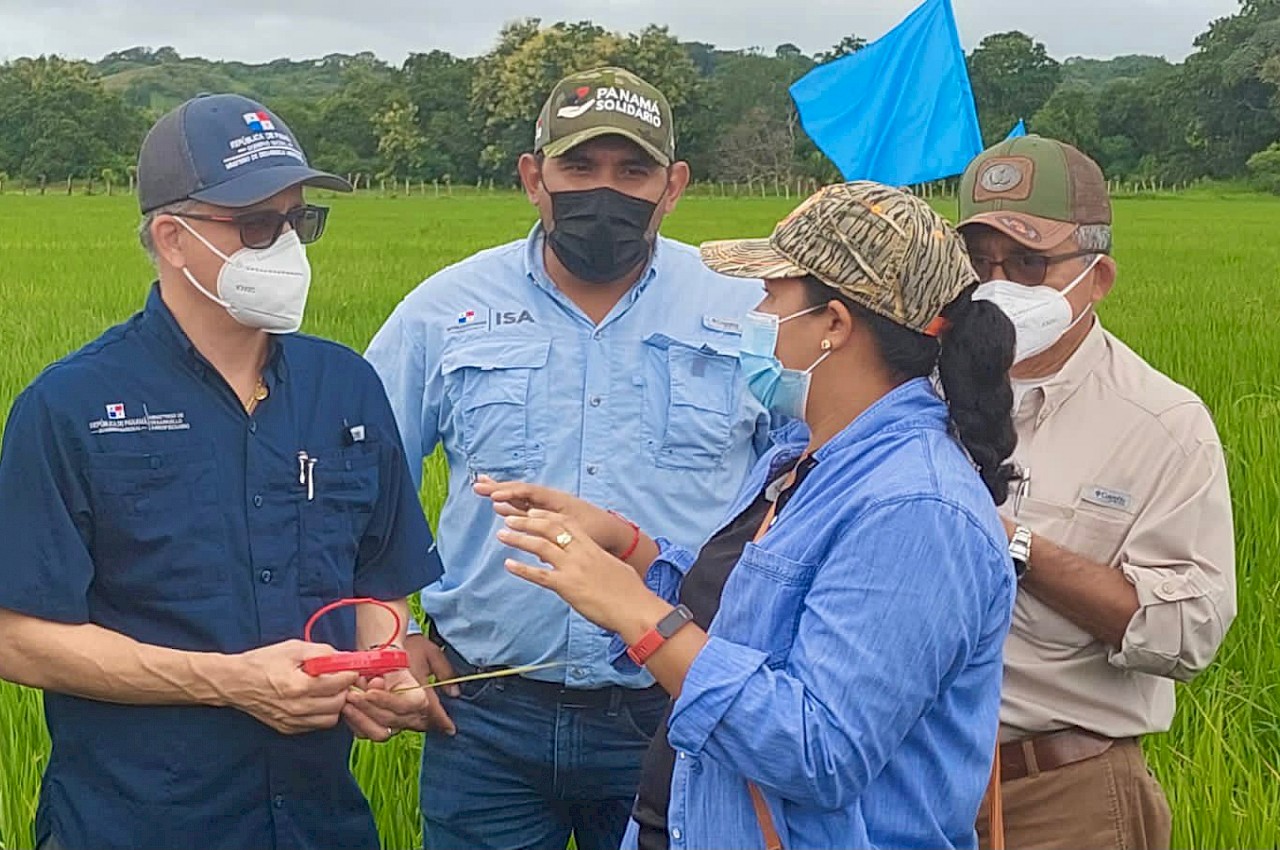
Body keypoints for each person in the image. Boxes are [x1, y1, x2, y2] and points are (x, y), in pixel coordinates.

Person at [477, 181, 1020, 849]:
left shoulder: (917, 510)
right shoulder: (807, 456)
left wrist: (634, 613)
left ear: (834, 325)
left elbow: (820, 750)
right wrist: (628, 551)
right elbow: (744, 621)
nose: (753, 313)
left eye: (772, 294)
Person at [0, 94, 441, 850]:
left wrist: (383, 665)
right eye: (258, 226)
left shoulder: (346, 389)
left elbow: (377, 580)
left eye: (299, 222)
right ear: (172, 238)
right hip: (135, 823)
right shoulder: (71, 407)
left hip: (316, 822)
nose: (288, 250)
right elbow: (16, 637)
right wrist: (228, 681)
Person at [364, 66, 770, 850]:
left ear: (674, 184)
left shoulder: (741, 310)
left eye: (633, 171)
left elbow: (794, 498)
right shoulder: (447, 309)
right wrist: (386, 633)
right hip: (484, 720)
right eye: (578, 169)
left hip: (678, 710)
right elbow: (366, 484)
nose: (604, 192)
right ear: (532, 177)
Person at [955, 134, 1237, 850]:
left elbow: (1188, 633)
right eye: (978, 263)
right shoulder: (917, 387)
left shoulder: (1161, 424)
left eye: (1028, 263)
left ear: (1098, 275)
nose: (998, 286)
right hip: (909, 782)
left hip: (1062, 795)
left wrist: (1015, 545)